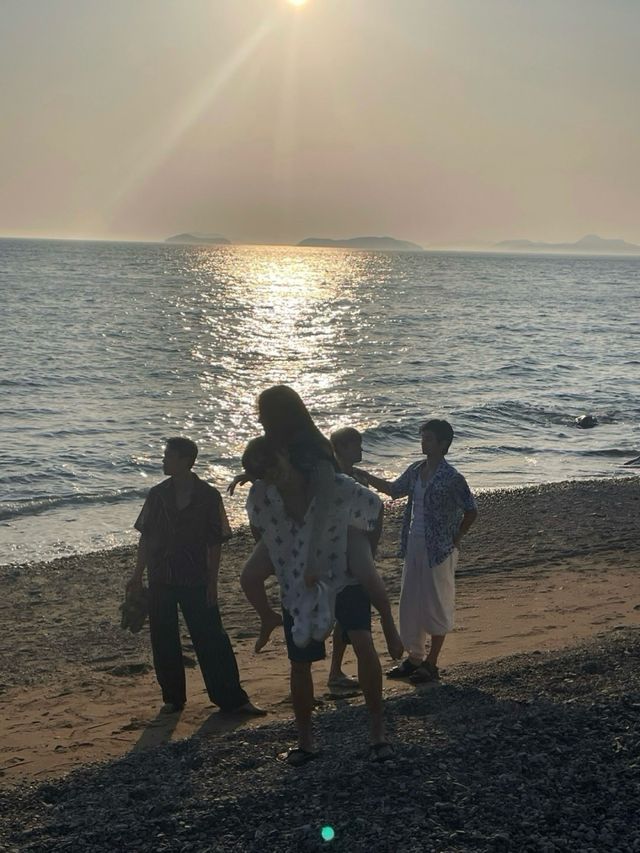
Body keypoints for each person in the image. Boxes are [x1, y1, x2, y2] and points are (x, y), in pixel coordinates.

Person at [243, 435, 393, 765]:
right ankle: (306, 741)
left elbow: (375, 506)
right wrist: (277, 554)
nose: (272, 475)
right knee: (300, 664)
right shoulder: (264, 494)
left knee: (363, 643)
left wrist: (368, 551)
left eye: (273, 466)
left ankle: (378, 732)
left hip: (342, 572)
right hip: (298, 581)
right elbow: (259, 527)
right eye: (263, 473)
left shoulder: (329, 483)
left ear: (285, 452)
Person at [232, 385, 403, 660]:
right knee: (249, 576)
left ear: (279, 415)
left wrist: (313, 559)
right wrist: (249, 475)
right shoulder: (275, 445)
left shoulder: (315, 449)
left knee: (364, 570)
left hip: (337, 519)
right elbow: (266, 465)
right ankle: (267, 617)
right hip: (294, 522)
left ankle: (387, 619)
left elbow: (324, 506)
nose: (259, 418)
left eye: (263, 413)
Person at [127, 437, 264, 716]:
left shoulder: (208, 496)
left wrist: (212, 581)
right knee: (163, 638)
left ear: (185, 460)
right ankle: (173, 698)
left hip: (196, 577)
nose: (164, 460)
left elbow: (215, 542)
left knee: (211, 637)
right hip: (160, 575)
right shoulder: (157, 494)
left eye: (169, 456)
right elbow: (146, 537)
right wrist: (137, 574)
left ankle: (232, 698)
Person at [355, 420, 478, 684]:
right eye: (423, 438)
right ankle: (415, 657)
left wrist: (457, 537)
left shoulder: (452, 478)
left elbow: (471, 509)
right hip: (413, 543)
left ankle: (431, 662)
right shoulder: (416, 470)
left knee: (436, 602)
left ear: (443, 444)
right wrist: (365, 477)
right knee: (411, 600)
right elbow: (393, 490)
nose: (424, 442)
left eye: (429, 439)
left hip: (439, 549)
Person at [325, 426, 370, 692]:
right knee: (341, 613)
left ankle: (336, 671)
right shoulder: (333, 478)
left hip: (354, 552)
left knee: (345, 616)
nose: (361, 449)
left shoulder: (356, 477)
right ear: (341, 448)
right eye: (355, 445)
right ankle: (335, 672)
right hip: (338, 554)